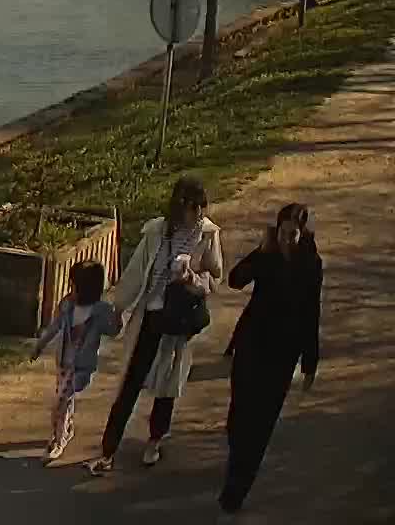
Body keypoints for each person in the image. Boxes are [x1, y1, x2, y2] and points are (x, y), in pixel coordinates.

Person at [89, 174, 223, 475]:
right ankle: (109, 448)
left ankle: (155, 440)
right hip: (151, 316)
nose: (199, 213)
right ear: (180, 205)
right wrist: (119, 306)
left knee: (167, 385)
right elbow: (137, 272)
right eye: (194, 207)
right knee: (131, 383)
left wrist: (193, 279)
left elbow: (216, 276)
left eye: (202, 206)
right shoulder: (156, 232)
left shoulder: (208, 234)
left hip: (179, 320)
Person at [218, 203, 323, 513]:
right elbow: (235, 280)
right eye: (284, 233)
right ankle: (237, 456)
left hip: (282, 354)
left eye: (294, 234)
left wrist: (309, 362)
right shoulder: (267, 254)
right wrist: (261, 254)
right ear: (276, 231)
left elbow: (311, 314)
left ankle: (234, 492)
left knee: (260, 425)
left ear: (303, 235)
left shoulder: (311, 264)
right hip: (252, 344)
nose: (288, 239)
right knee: (239, 419)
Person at [32, 259, 121, 461]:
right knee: (64, 399)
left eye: (74, 286)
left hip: (82, 367)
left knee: (60, 401)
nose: (70, 289)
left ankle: (58, 440)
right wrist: (40, 345)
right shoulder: (67, 306)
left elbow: (112, 331)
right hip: (63, 363)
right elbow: (55, 326)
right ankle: (65, 428)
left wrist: (118, 317)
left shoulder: (100, 311)